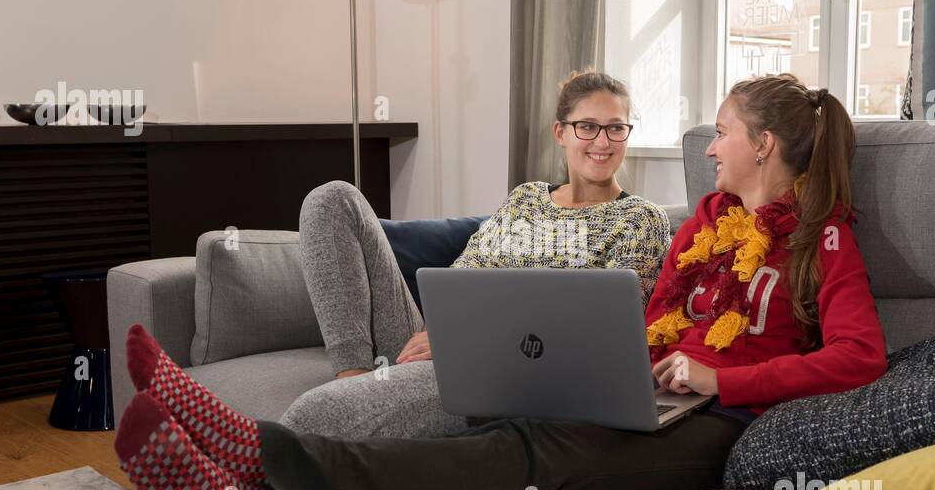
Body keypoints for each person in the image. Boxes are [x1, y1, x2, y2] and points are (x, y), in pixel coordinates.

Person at [113, 73, 888, 490]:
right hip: (644, 388)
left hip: (715, 422)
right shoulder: (702, 224)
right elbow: (644, 315)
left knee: (528, 454)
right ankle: (256, 485)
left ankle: (260, 461)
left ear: (764, 144)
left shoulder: (822, 240)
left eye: (721, 133)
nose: (710, 148)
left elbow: (861, 359)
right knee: (523, 438)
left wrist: (723, 381)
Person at [275, 68, 671, 441]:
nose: (602, 142)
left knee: (317, 417)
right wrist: (442, 333)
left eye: (616, 128)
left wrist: (465, 344)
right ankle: (353, 375)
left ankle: (311, 429)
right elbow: (463, 276)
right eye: (587, 127)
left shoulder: (639, 220)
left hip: (510, 377)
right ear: (560, 132)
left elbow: (602, 336)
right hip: (448, 345)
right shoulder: (526, 198)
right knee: (332, 198)